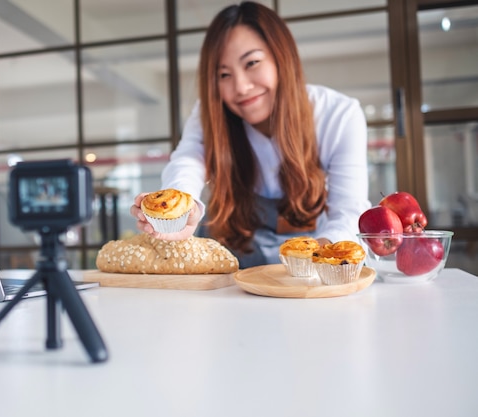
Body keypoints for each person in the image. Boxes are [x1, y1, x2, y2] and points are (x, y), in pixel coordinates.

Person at [130, 1, 371, 268]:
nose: (241, 87)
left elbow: (349, 212)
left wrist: (315, 260)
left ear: (282, 57)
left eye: (252, 63)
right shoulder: (210, 113)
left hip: (313, 256)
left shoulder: (338, 115)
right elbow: (187, 160)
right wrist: (181, 209)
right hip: (235, 254)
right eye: (224, 74)